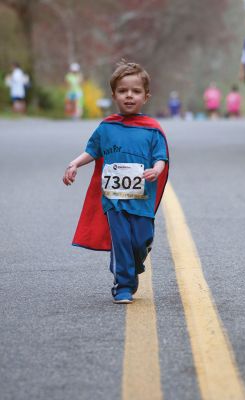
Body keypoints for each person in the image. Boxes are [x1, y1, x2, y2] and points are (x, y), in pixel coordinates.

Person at [62, 61, 169, 304]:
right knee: (120, 239)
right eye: (123, 91)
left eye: (135, 91)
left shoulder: (152, 130)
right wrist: (75, 164)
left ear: (146, 96)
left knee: (140, 240)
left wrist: (156, 169)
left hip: (141, 198)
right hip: (114, 198)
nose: (129, 96)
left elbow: (161, 157)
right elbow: (92, 150)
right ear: (114, 95)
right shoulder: (106, 127)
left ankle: (134, 261)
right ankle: (123, 285)